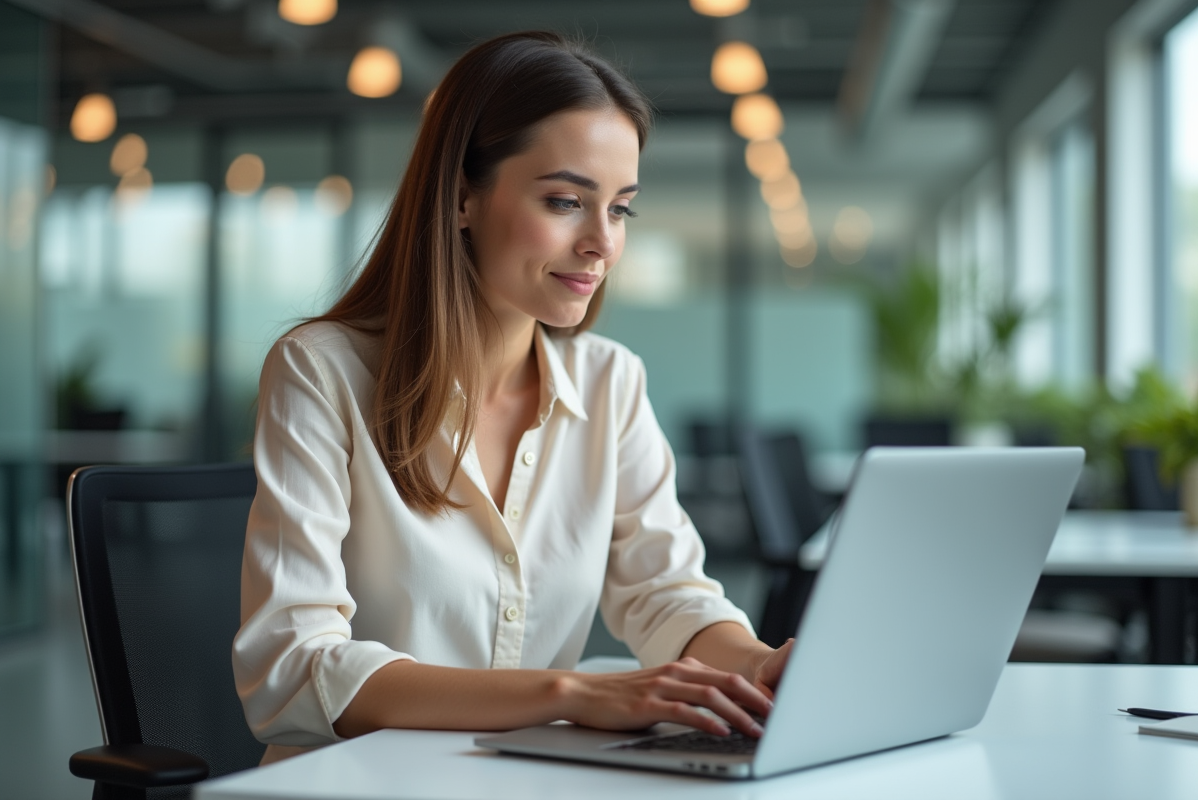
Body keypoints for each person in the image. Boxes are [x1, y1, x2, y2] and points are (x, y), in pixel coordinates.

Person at [233, 30, 792, 765]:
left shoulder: (610, 382)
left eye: (621, 209)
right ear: (462, 198)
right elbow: (289, 669)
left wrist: (756, 666)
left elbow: (665, 594)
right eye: (566, 201)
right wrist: (569, 694)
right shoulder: (321, 372)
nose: (602, 243)